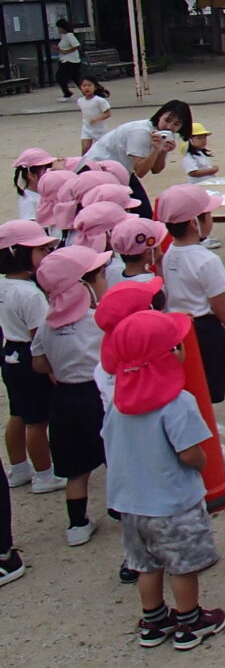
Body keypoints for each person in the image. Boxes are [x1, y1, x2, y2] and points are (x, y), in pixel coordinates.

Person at [100, 311, 225, 649]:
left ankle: (153, 620)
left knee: (146, 565)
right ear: (170, 355)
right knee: (182, 565)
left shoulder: (118, 403)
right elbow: (189, 454)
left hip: (132, 504)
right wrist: (200, 463)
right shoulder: (178, 403)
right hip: (172, 503)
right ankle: (190, 621)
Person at [32, 243, 111, 545]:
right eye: (100, 275)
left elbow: (39, 364)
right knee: (113, 456)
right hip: (98, 397)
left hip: (64, 399)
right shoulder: (99, 321)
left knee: (75, 467)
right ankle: (120, 510)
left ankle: (77, 525)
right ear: (83, 287)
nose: (104, 281)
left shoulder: (47, 326)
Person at [155, 185, 225, 407]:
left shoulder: (169, 253)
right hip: (205, 328)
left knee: (188, 383)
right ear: (194, 223)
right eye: (208, 215)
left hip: (177, 325)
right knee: (207, 388)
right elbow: (219, 302)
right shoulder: (207, 260)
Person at [0, 219, 63, 495]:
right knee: (37, 421)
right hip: (30, 355)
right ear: (19, 253)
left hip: (10, 352)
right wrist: (53, 370)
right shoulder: (31, 294)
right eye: (40, 250)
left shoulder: (3, 285)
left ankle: (18, 468)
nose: (45, 255)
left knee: (18, 412)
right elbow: (40, 336)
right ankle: (44, 474)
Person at [76, 100, 193, 219]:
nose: (169, 127)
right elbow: (141, 171)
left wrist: (163, 151)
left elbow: (156, 169)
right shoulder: (141, 131)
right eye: (167, 120)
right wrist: (156, 149)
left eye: (176, 124)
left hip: (121, 170)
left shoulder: (163, 135)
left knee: (144, 213)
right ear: (159, 116)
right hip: (96, 169)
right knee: (109, 214)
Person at [12, 147, 55, 222]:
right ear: (31, 175)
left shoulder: (43, 194)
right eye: (46, 169)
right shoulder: (29, 201)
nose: (51, 173)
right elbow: (30, 226)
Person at [76, 75, 112, 154]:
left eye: (89, 85)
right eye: (84, 86)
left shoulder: (100, 101)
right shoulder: (80, 101)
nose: (87, 88)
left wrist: (97, 119)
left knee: (102, 150)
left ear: (95, 87)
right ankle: (84, 164)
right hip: (87, 128)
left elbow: (108, 113)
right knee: (85, 148)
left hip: (99, 130)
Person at [53, 18, 83, 101]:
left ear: (63, 27)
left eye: (59, 28)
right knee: (75, 77)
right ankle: (86, 91)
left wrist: (66, 51)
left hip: (70, 61)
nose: (59, 30)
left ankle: (67, 93)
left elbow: (76, 46)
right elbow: (64, 46)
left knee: (60, 76)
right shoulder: (63, 36)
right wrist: (58, 48)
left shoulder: (69, 35)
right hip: (65, 59)